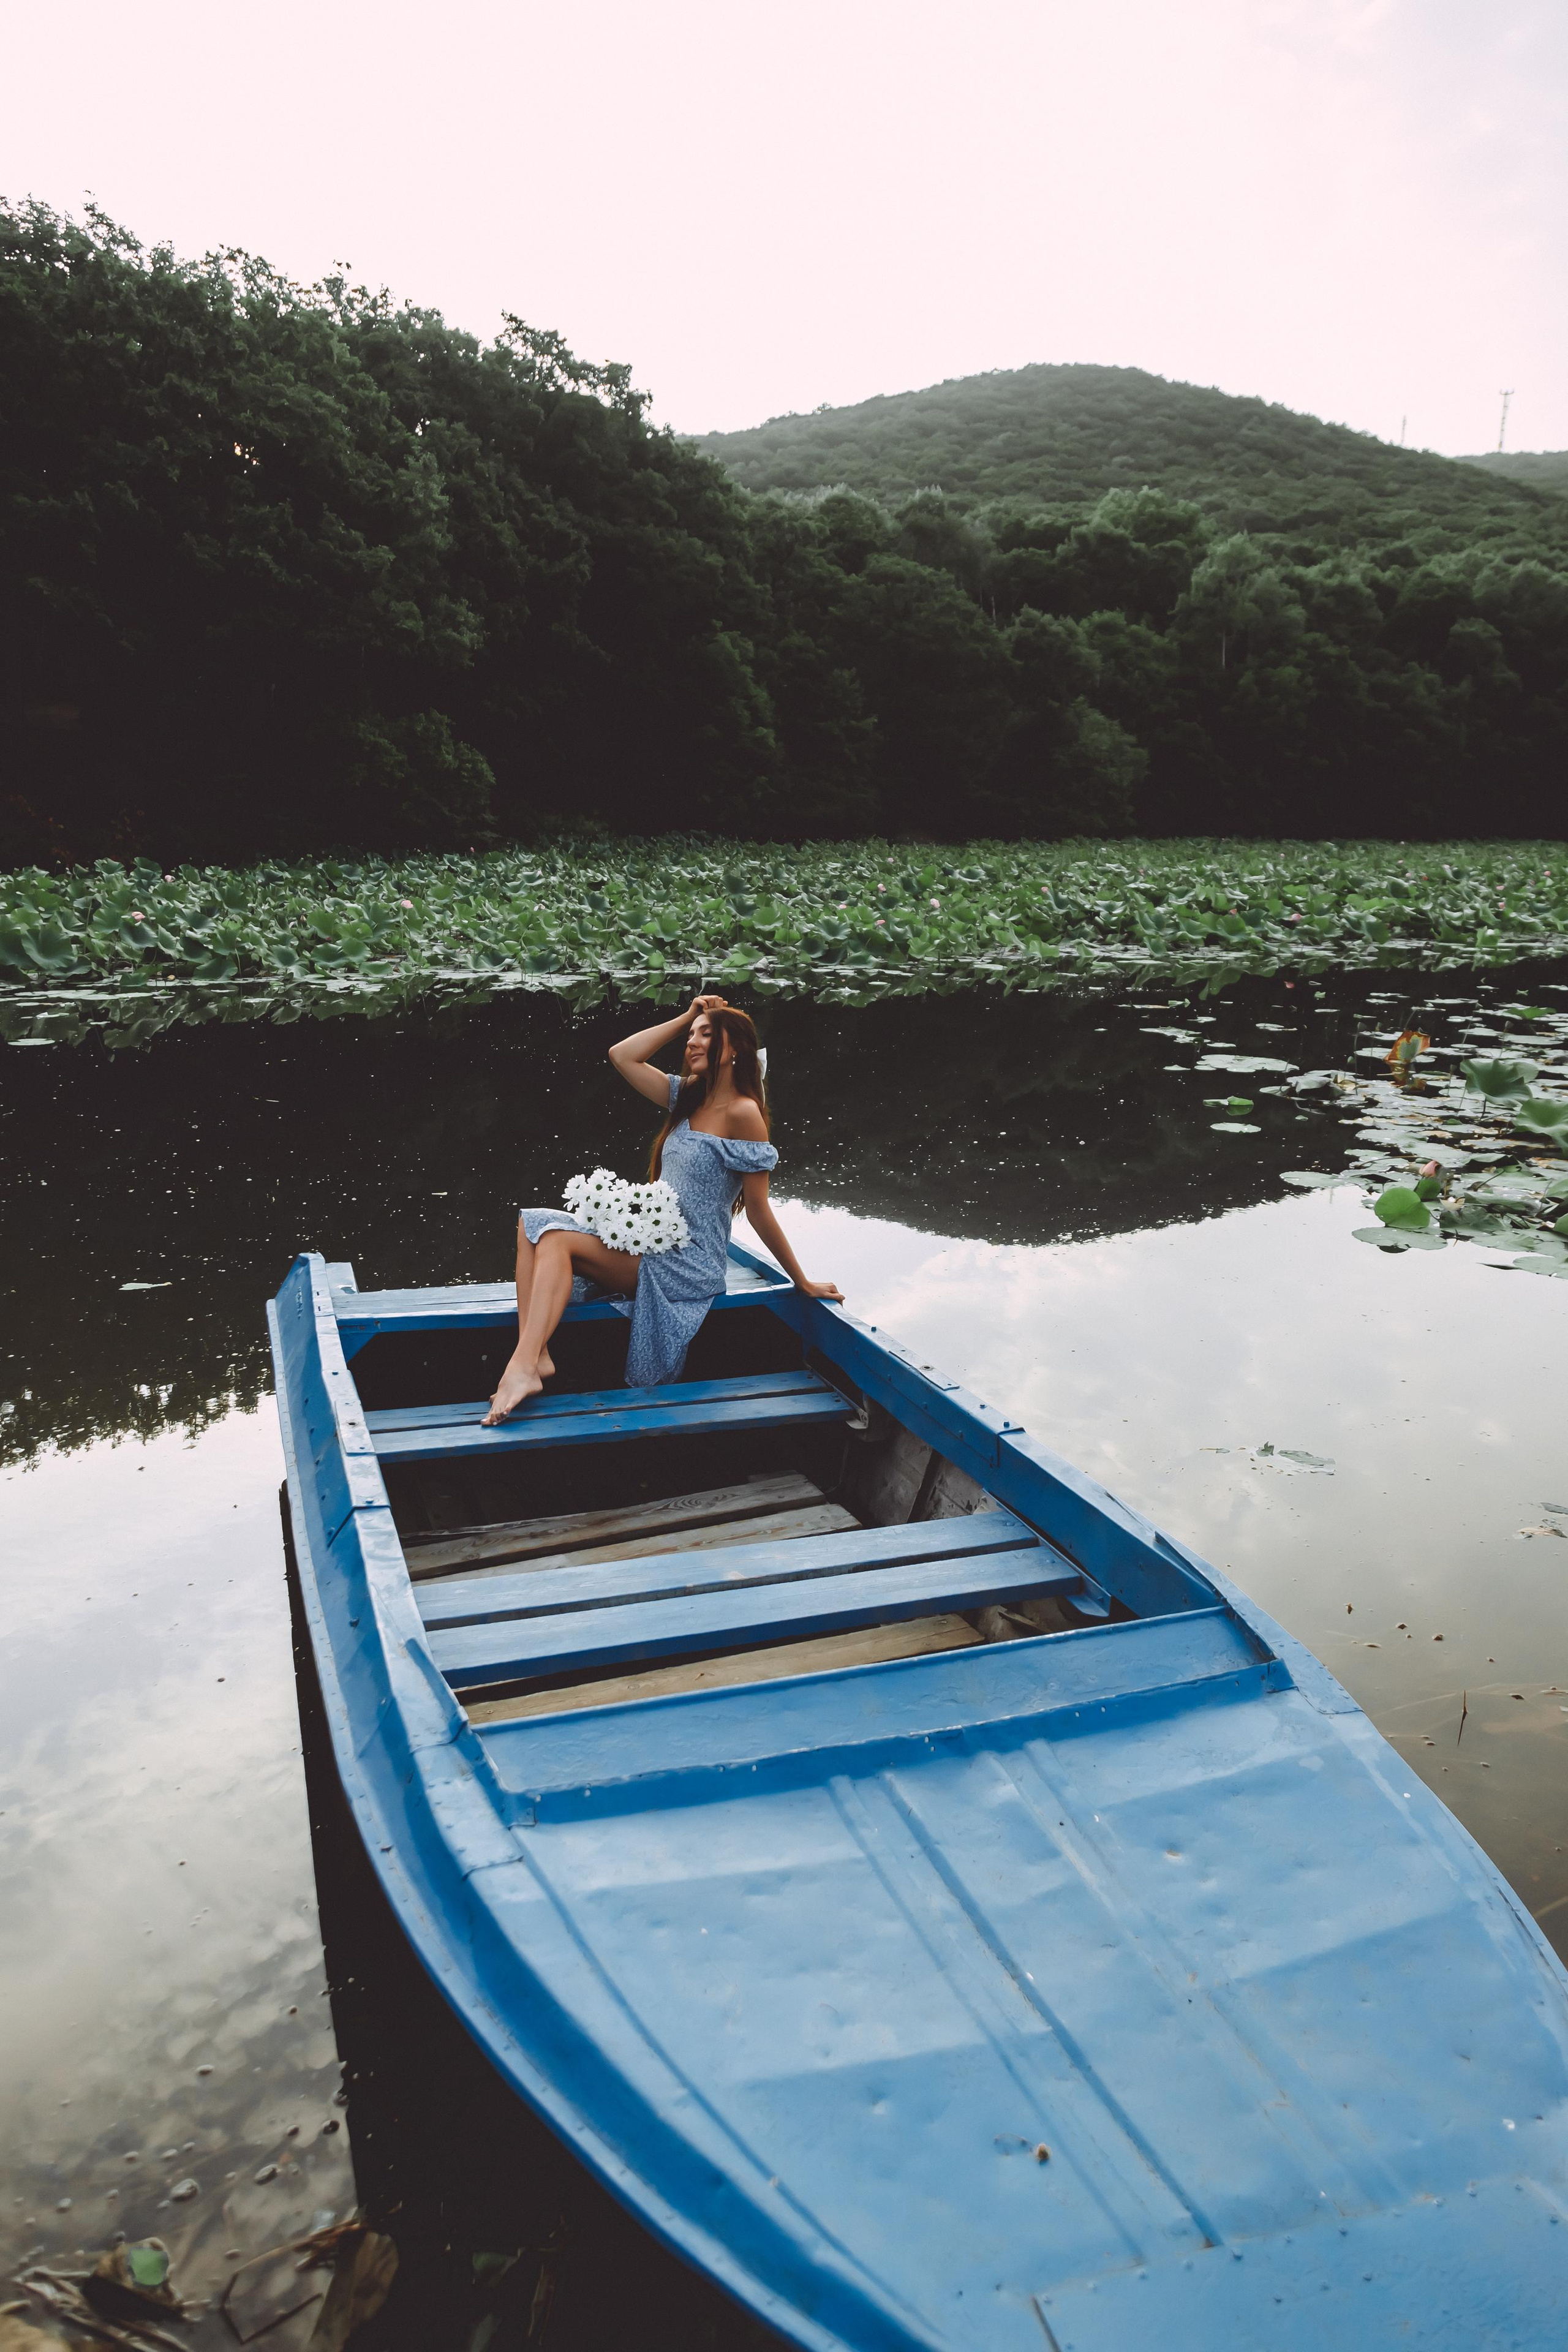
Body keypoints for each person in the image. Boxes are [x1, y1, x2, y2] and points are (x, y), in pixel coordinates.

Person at [483, 995, 843, 1422]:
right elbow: (623, 1056)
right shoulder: (688, 1097)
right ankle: (536, 1353)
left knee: (557, 1242)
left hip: (688, 1263)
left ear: (733, 1050)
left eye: (706, 1036)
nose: (692, 1042)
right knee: (533, 1223)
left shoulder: (744, 1114)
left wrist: (801, 1280)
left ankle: (522, 1368)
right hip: (653, 1244)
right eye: (691, 1036)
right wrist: (688, 1016)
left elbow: (760, 1211)